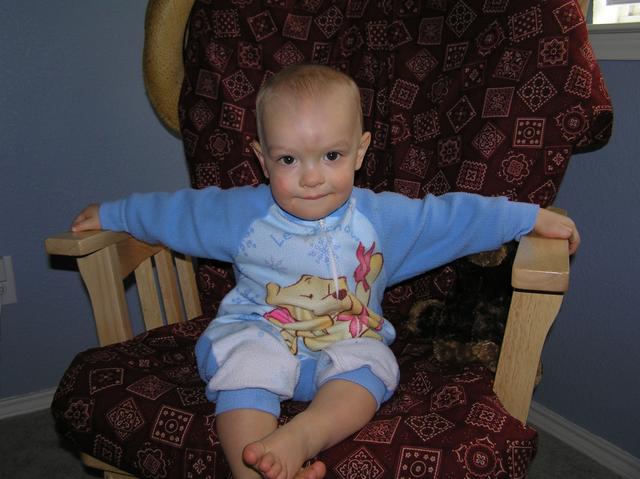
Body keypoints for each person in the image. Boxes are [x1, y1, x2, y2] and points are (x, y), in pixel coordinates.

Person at [71, 64, 580, 479]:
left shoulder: (384, 220)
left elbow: (456, 218)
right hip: (262, 330)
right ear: (262, 160)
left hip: (345, 340)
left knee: (373, 365)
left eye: (331, 155)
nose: (311, 177)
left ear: (359, 151)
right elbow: (176, 213)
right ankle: (257, 469)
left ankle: (302, 437)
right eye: (289, 159)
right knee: (243, 362)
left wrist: (529, 217)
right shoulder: (243, 214)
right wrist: (114, 215)